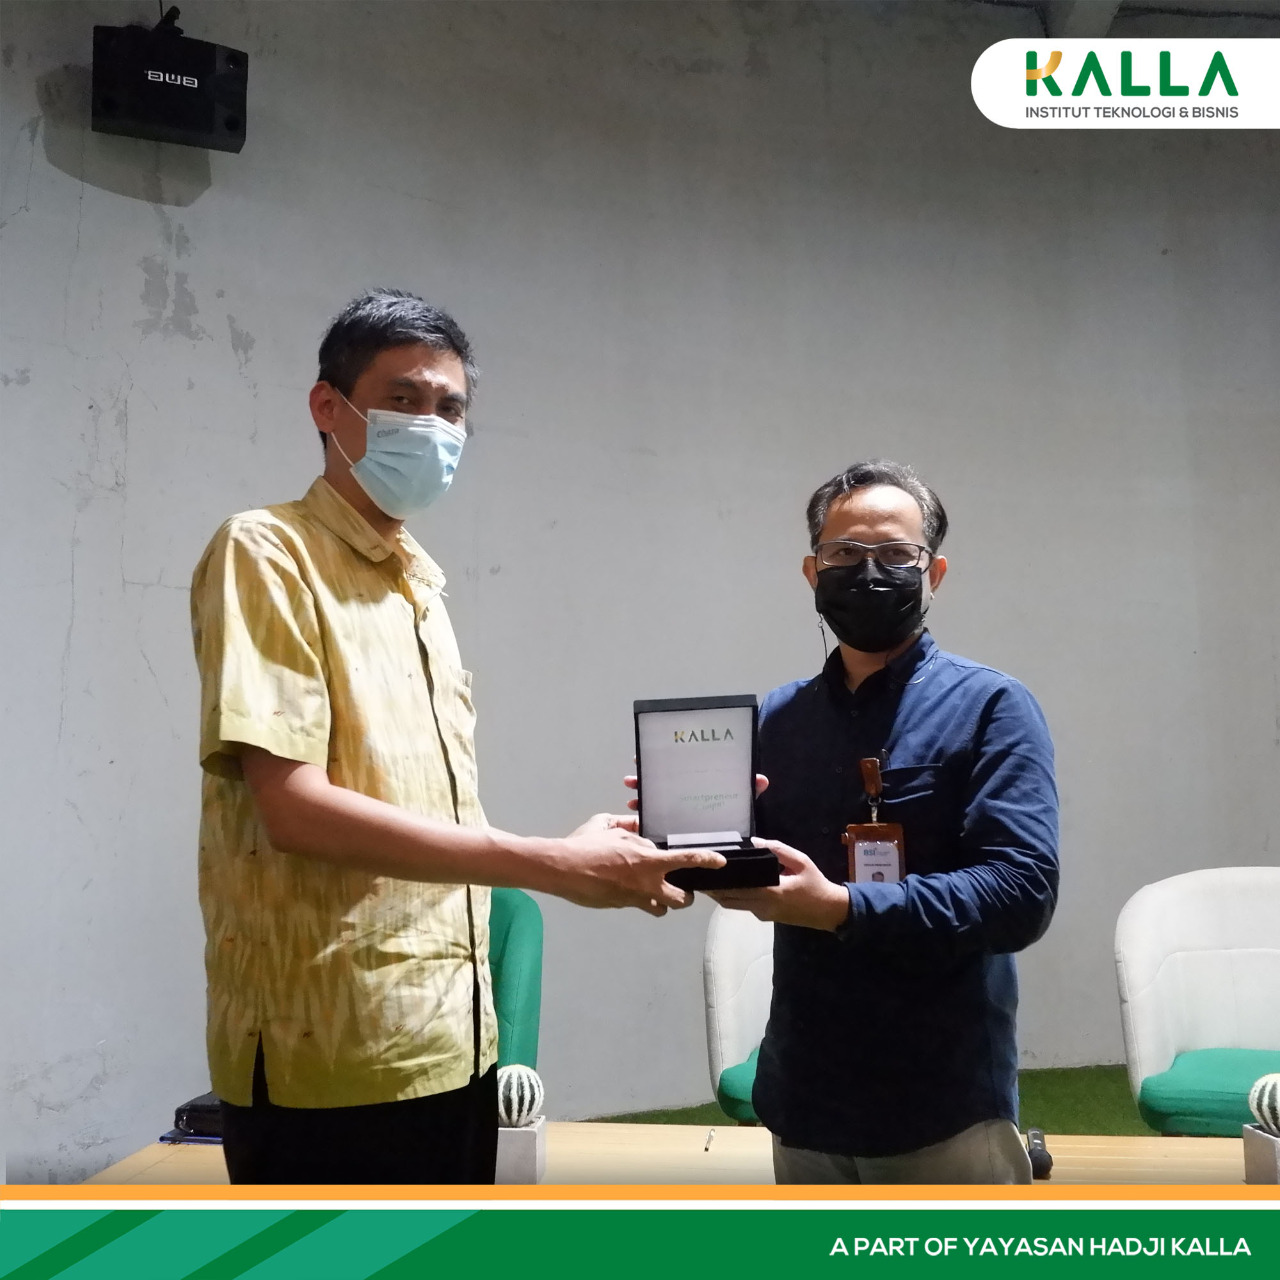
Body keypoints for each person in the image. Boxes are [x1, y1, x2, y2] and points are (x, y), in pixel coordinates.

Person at [190, 289, 721, 1185]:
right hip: (330, 1052)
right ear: (329, 408)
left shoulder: (420, 587)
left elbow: (431, 814)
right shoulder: (267, 551)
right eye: (402, 399)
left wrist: (585, 848)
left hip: (453, 1040)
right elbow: (295, 809)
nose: (431, 426)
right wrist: (551, 864)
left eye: (450, 408)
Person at [708, 459, 1059, 1185]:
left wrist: (841, 907)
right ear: (813, 572)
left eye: (896, 553)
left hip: (943, 1103)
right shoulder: (778, 719)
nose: (869, 572)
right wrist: (679, 838)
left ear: (935, 573)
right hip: (805, 1095)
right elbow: (750, 864)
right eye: (845, 553)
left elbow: (1021, 893)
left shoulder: (993, 707)